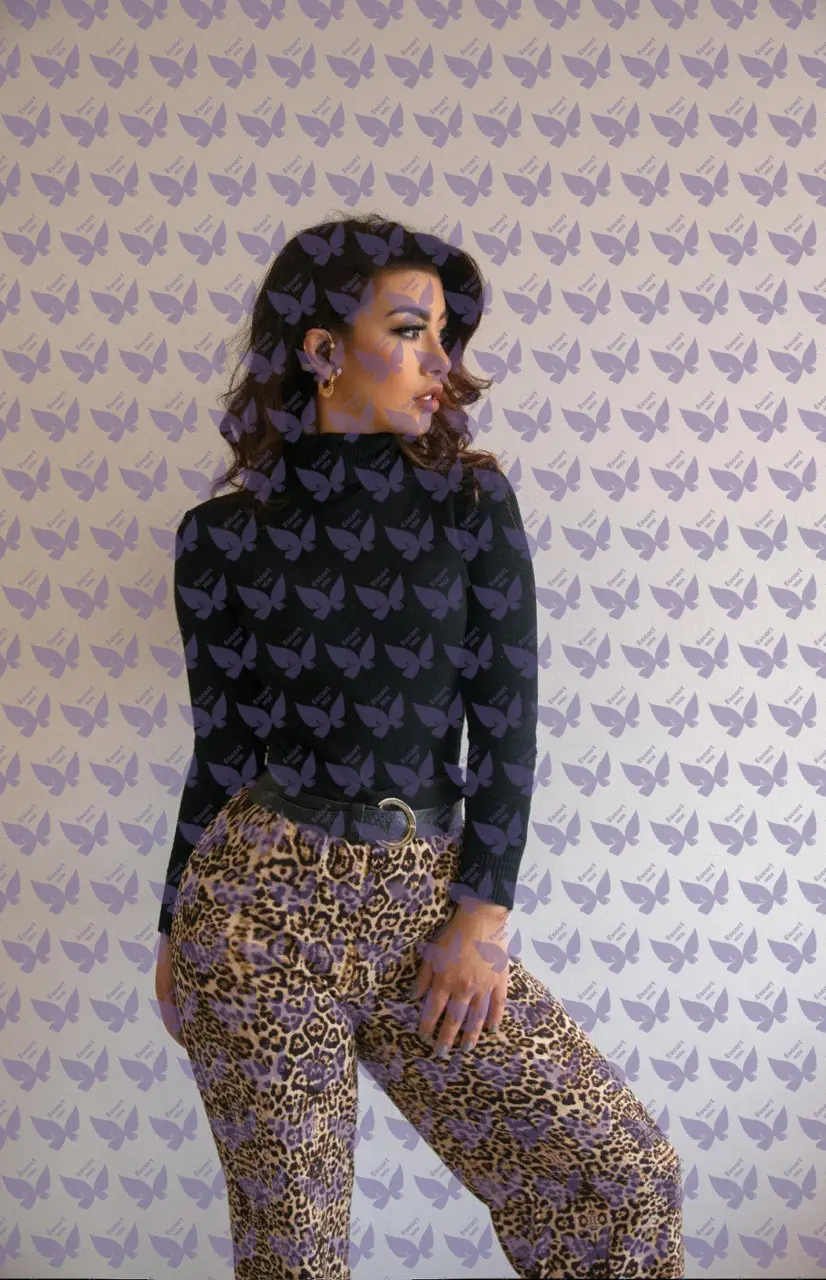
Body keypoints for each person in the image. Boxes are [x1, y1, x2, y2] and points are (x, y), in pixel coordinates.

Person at [154, 210, 684, 1279]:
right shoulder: (220, 539)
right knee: (296, 1258)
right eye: (410, 331)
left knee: (622, 1176)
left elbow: (508, 715)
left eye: (445, 334)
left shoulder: (469, 503)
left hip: (425, 908)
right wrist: (175, 922)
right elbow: (224, 748)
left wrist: (482, 914)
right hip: (255, 918)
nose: (442, 362)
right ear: (322, 349)